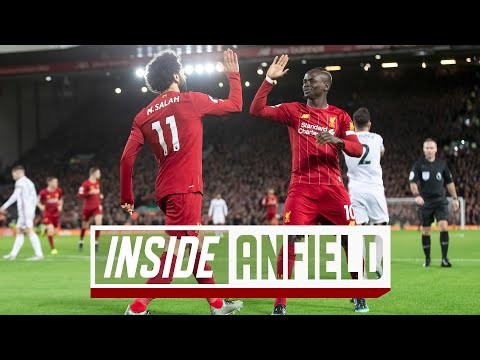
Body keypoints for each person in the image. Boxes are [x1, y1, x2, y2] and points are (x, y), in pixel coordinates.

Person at [120, 48, 244, 315]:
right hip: (186, 189)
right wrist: (233, 76)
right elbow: (235, 105)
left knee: (194, 245)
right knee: (174, 251)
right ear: (175, 74)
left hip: (165, 190)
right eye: (182, 69)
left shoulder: (142, 116)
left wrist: (127, 197)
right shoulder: (191, 100)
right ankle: (138, 307)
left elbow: (126, 159)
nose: (185, 72)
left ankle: (217, 304)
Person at [250, 55, 366, 314]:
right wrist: (269, 80)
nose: (305, 84)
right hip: (301, 188)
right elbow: (256, 110)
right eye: (303, 81)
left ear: (325, 85)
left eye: (310, 81)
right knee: (290, 240)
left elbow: (357, 150)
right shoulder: (294, 111)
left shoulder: (340, 116)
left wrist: (337, 142)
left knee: (351, 240)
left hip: (333, 189)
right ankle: (280, 303)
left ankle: (359, 293)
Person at [343, 107, 389, 280]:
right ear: (369, 123)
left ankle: (361, 272)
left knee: (358, 230)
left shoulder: (348, 138)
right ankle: (376, 261)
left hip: (355, 189)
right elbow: (381, 153)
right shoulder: (377, 138)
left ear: (354, 124)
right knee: (382, 226)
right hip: (375, 187)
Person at [409, 138, 459, 268]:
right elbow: (413, 183)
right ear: (423, 149)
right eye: (427, 148)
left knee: (443, 226)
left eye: (432, 148)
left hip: (440, 201)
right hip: (425, 202)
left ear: (436, 149)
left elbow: (449, 182)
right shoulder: (419, 165)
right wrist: (416, 195)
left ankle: (444, 259)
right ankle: (427, 259)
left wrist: (454, 198)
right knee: (426, 231)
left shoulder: (442, 164)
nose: (429, 150)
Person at [1, 165, 44, 260]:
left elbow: (15, 196)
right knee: (19, 231)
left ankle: (39, 255)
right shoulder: (30, 182)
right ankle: (13, 254)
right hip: (29, 210)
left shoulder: (20, 182)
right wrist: (32, 209)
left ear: (18, 172)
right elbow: (34, 198)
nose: (13, 177)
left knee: (29, 230)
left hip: (25, 211)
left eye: (13, 174)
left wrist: (4, 206)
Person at [78, 166, 103, 252]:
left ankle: (96, 242)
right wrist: (88, 193)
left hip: (96, 207)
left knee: (99, 224)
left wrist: (100, 196)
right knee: (84, 226)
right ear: (93, 173)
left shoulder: (97, 183)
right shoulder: (86, 184)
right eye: (98, 173)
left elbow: (96, 194)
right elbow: (80, 194)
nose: (100, 174)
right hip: (88, 208)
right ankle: (81, 241)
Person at [37, 176, 63, 255]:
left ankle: (44, 231)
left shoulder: (59, 190)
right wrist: (41, 206)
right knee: (51, 230)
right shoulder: (43, 192)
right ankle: (53, 249)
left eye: (57, 182)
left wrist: (60, 206)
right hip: (47, 214)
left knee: (54, 231)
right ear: (49, 183)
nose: (56, 184)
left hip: (56, 214)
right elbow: (37, 201)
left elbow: (61, 199)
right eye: (55, 182)